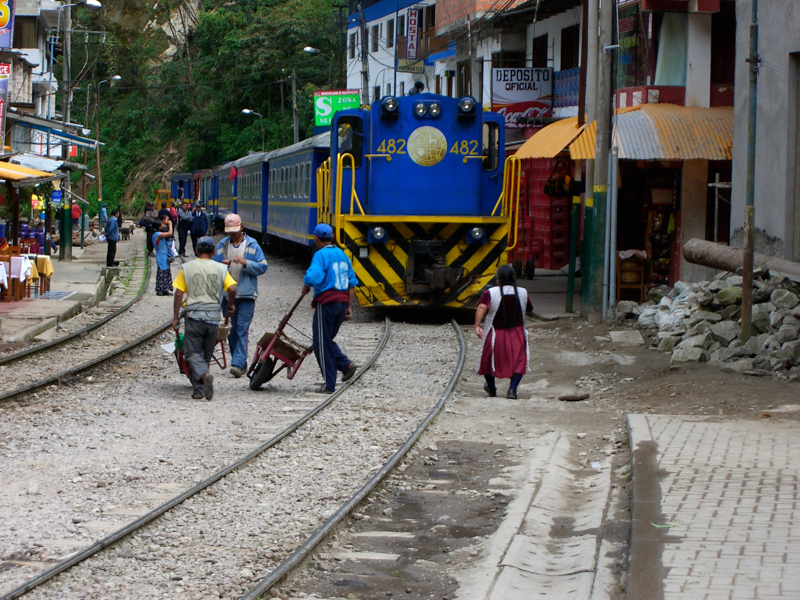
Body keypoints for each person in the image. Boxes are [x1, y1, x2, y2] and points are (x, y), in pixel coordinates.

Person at [173, 236, 237, 400]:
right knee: (205, 355)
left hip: (194, 316)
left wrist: (175, 317)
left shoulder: (187, 267)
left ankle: (202, 380)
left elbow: (179, 293)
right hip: (213, 317)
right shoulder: (221, 269)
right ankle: (198, 390)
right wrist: (230, 304)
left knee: (192, 353)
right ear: (214, 251)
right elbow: (232, 287)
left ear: (196, 250)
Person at [301, 223, 358, 393]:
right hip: (341, 304)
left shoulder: (320, 255)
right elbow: (352, 282)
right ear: (332, 237)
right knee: (325, 340)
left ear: (316, 238)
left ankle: (329, 384)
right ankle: (346, 365)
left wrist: (306, 283)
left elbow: (313, 277)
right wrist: (349, 306)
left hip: (326, 303)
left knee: (321, 344)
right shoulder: (342, 255)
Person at [213, 213, 268, 377]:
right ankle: (240, 362)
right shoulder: (222, 245)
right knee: (231, 329)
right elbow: (214, 266)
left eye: (235, 231)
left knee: (242, 329)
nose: (232, 234)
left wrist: (247, 263)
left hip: (246, 295)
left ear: (241, 227)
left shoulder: (252, 245)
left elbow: (263, 266)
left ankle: (237, 363)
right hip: (227, 295)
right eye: (229, 231)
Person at [474, 264, 534, 400]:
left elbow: (482, 307)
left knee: (488, 360)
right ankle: (512, 390)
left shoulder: (490, 293)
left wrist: (477, 325)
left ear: (498, 279)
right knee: (519, 361)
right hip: (517, 334)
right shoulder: (523, 292)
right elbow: (528, 308)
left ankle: (491, 387)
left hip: (496, 334)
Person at [152, 213, 174, 296]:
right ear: (159, 227)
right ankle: (160, 289)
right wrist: (170, 224)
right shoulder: (157, 235)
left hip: (164, 255)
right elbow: (170, 233)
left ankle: (165, 289)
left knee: (166, 272)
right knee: (161, 272)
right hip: (161, 256)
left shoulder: (157, 234)